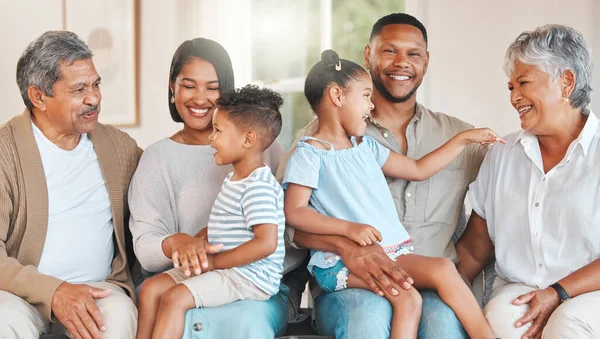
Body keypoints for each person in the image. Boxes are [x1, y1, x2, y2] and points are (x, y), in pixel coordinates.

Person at [276, 13, 490, 339]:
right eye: (390, 51)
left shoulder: (372, 147)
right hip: (345, 273)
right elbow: (291, 220)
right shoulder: (309, 149)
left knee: (429, 314)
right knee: (372, 315)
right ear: (368, 56)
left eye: (413, 53)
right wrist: (345, 239)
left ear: (426, 61)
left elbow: (421, 171)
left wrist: (463, 140)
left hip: (411, 263)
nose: (402, 62)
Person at [128, 38, 288, 338]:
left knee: (200, 310)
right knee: (151, 290)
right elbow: (147, 249)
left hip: (247, 279)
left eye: (212, 88)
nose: (201, 99)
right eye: (189, 85)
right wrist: (182, 243)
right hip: (197, 271)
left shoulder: (264, 153)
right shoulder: (158, 157)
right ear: (172, 87)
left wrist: (219, 261)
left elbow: (279, 236)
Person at [456, 24, 600, 339]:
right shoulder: (502, 155)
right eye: (510, 87)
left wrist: (558, 292)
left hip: (592, 291)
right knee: (503, 320)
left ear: (566, 82)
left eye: (523, 83)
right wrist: (430, 284)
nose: (515, 97)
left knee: (568, 324)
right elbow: (474, 249)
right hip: (519, 290)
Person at [0, 31, 139, 338]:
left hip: (98, 290)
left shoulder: (118, 148)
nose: (94, 98)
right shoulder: (4, 151)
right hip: (19, 296)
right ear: (39, 97)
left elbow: (159, 187)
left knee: (117, 316)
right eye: (79, 89)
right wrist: (54, 291)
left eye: (96, 84)